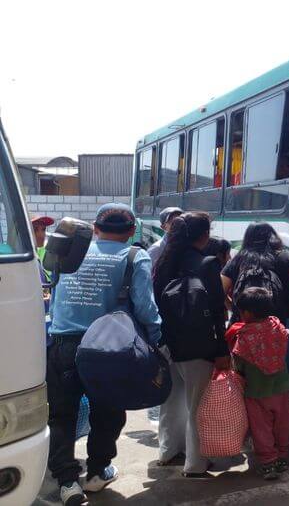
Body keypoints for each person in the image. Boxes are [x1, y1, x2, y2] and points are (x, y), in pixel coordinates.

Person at [47, 203, 161, 506]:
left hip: (62, 344)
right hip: (109, 350)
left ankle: (67, 482)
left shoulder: (71, 251)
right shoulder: (136, 256)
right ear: (132, 231)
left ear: (95, 229)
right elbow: (146, 308)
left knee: (61, 415)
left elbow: (55, 297)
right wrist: (157, 341)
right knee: (108, 411)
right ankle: (97, 472)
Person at [153, 212, 229, 477]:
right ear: (204, 236)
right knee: (197, 405)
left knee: (170, 400)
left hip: (166, 343)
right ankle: (196, 463)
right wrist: (222, 349)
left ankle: (167, 451)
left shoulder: (163, 262)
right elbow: (218, 310)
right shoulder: (207, 264)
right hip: (198, 345)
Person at [221, 223, 289, 423]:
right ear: (274, 237)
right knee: (285, 370)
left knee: (245, 372)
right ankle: (288, 413)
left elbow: (219, 289)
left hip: (245, 324)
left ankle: (248, 418)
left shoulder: (239, 259)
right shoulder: (287, 257)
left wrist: (233, 308)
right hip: (283, 322)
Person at [225, 287, 289, 480]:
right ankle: (282, 457)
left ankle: (268, 462)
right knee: (282, 424)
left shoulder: (245, 336)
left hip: (256, 390)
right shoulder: (278, 327)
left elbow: (238, 363)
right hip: (282, 387)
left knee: (261, 428)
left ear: (248, 313)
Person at [145, 207, 182, 425]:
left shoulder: (187, 248)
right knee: (161, 365)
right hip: (162, 314)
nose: (177, 224)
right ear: (163, 226)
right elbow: (148, 286)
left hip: (180, 314)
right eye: (172, 221)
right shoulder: (156, 250)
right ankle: (156, 415)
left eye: (180, 219)